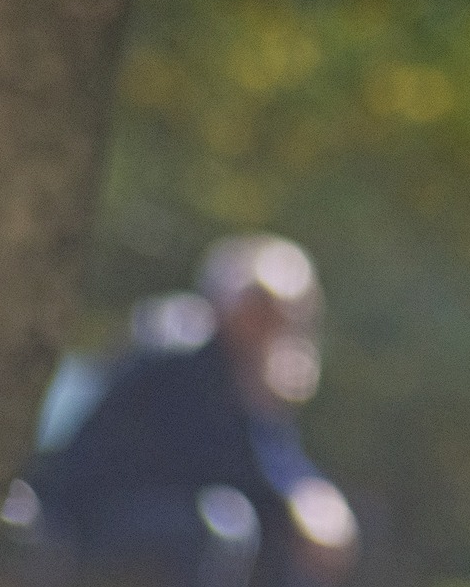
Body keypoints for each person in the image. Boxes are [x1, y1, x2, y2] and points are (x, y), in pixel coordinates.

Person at [25, 235, 359, 587]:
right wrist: (293, 503)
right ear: (227, 298)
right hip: (91, 510)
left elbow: (275, 457)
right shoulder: (181, 350)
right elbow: (220, 458)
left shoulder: (245, 369)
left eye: (284, 314)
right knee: (226, 526)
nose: (269, 323)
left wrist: (308, 494)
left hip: (158, 509)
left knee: (273, 535)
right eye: (259, 304)